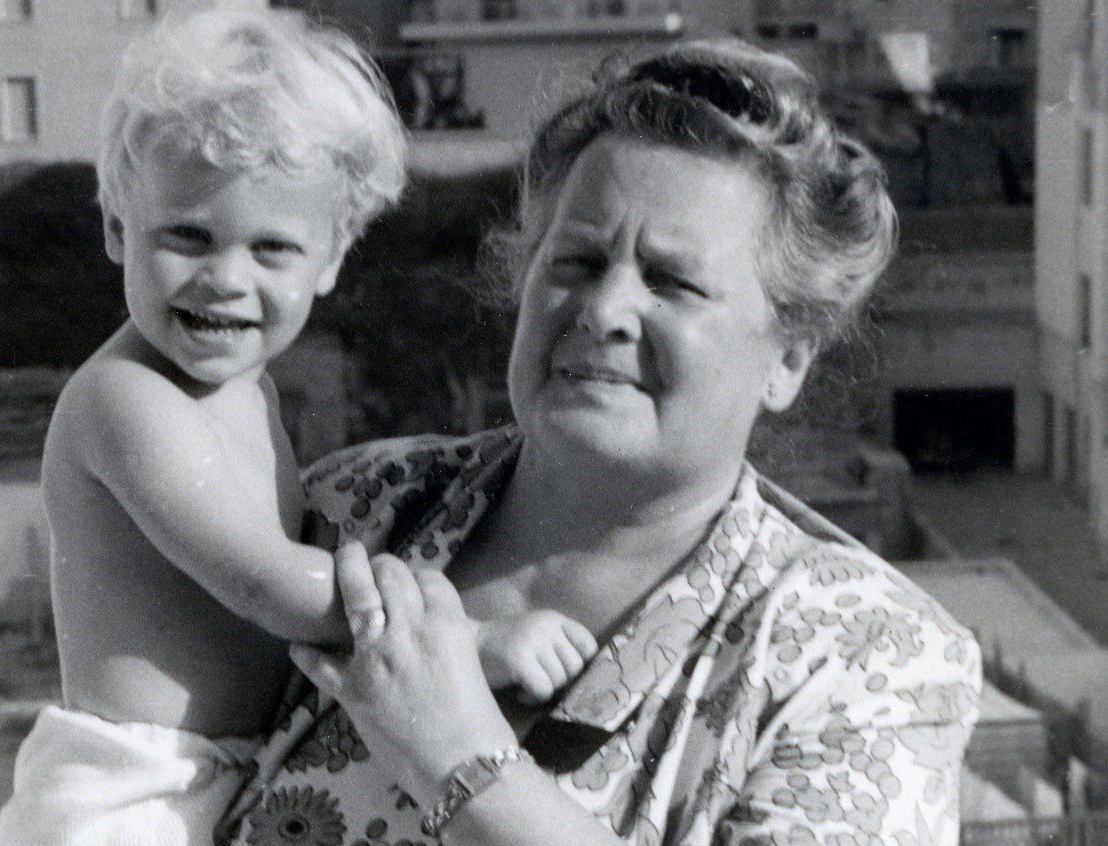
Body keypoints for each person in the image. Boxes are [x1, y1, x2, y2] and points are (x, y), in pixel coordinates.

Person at [217, 38, 982, 846]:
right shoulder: (350, 509)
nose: (603, 309)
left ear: (787, 359)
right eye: (577, 261)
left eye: (673, 282)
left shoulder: (865, 655)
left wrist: (458, 760)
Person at [0, 10, 592, 845]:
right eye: (187, 237)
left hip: (215, 774)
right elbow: (264, 582)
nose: (224, 279)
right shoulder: (125, 399)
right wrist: (464, 639)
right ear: (117, 229)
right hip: (127, 795)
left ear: (331, 259)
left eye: (271, 249)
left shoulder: (250, 392)